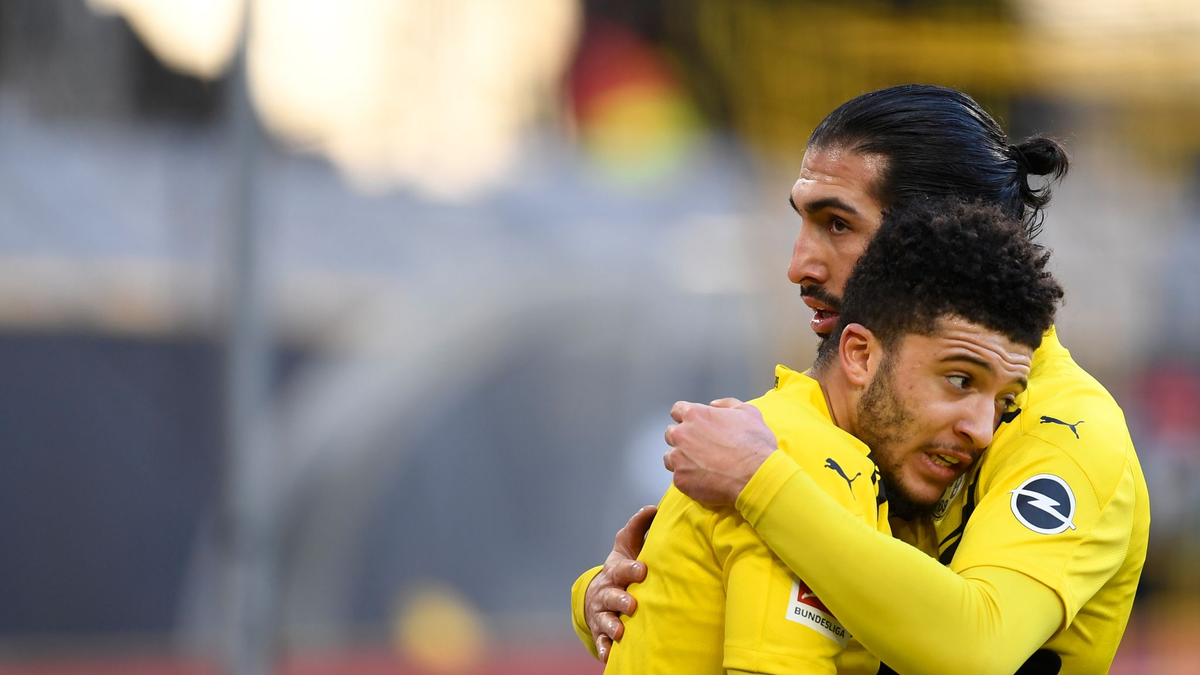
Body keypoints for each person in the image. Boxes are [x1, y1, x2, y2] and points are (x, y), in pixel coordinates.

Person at [572, 85, 1150, 674]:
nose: (799, 265)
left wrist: (762, 486)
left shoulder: (1065, 436)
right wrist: (628, 590)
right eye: (804, 220)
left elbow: (979, 648)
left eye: (838, 224)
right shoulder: (845, 416)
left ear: (936, 239)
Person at [599, 197, 1062, 675]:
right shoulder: (809, 462)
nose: (982, 430)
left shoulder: (781, 429)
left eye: (1004, 403)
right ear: (860, 355)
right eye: (959, 380)